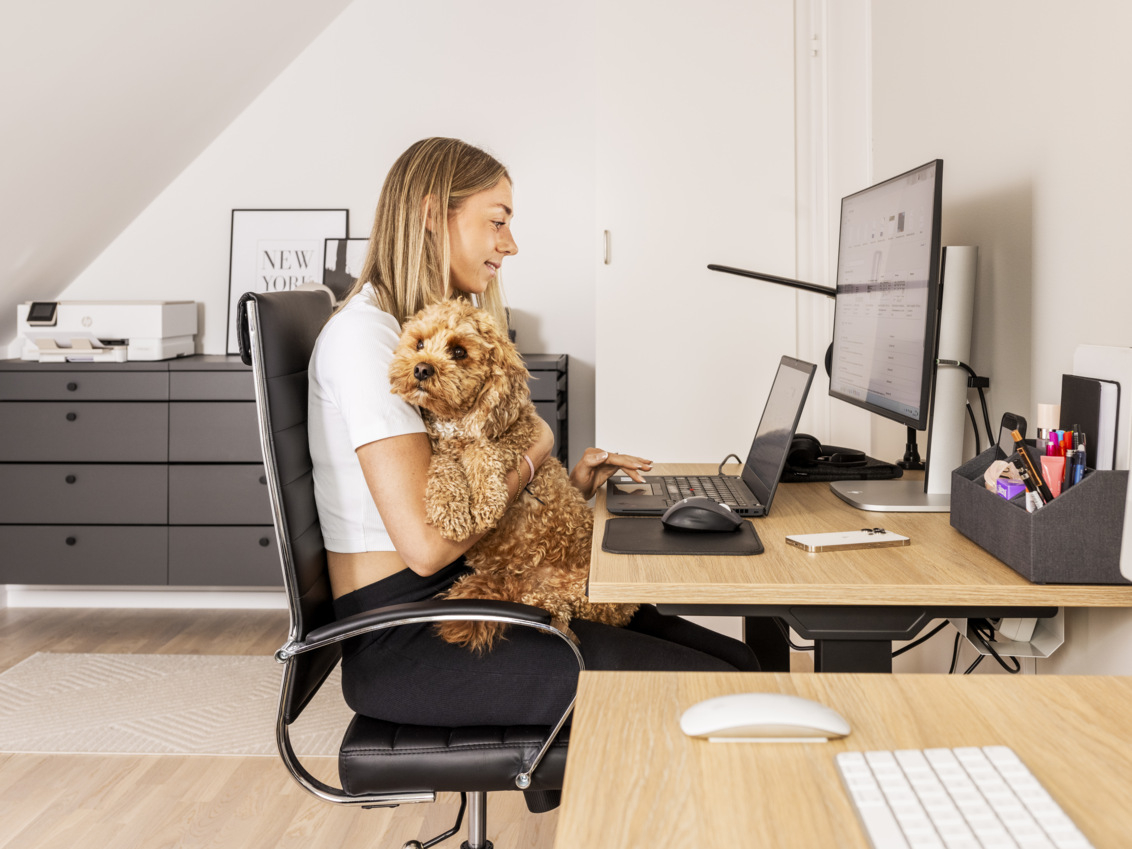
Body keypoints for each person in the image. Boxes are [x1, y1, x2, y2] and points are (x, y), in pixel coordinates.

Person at [308, 137, 758, 729]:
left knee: (746, 666)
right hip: (413, 636)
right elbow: (427, 548)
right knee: (723, 697)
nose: (509, 244)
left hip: (479, 591)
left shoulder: (404, 328)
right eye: (497, 222)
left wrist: (561, 488)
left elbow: (472, 486)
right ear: (428, 215)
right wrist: (534, 451)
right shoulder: (367, 340)